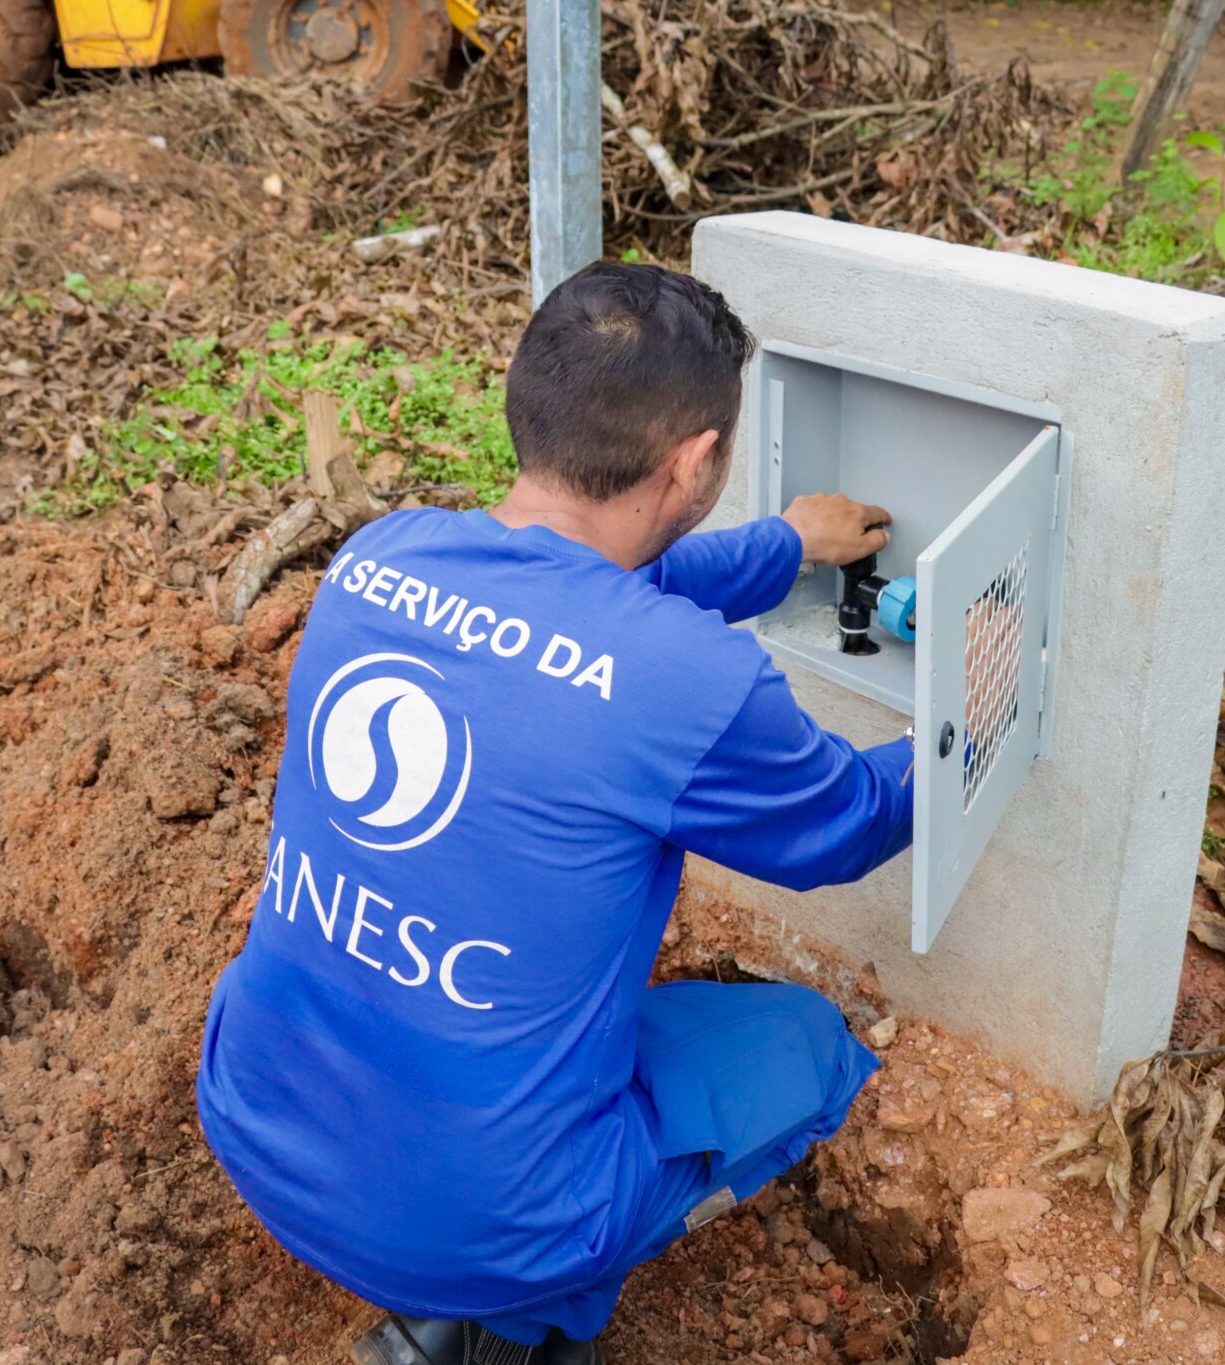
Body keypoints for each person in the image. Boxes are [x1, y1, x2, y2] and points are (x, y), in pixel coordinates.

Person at [196, 263, 916, 1365]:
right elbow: (852, 822)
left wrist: (784, 548)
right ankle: (500, 1333)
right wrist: (967, 719)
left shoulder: (375, 561)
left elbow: (591, 595)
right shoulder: (689, 686)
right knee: (806, 1049)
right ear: (694, 461)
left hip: (259, 1116)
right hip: (478, 1220)